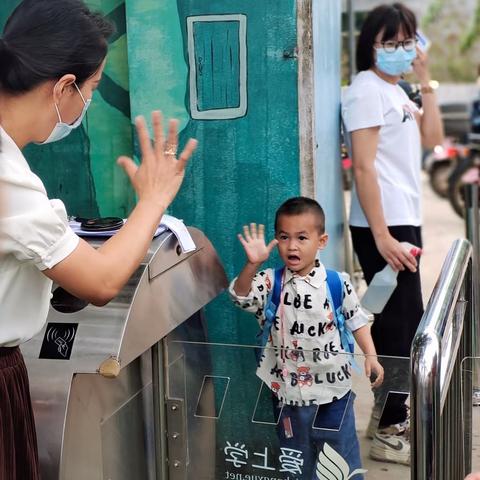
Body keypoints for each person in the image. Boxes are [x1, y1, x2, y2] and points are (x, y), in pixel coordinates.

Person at [0, 1, 197, 478]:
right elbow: (102, 281)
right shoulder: (7, 178)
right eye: (90, 89)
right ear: (64, 86)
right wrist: (152, 201)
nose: (86, 104)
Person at [341, 2, 443, 465]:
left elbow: (431, 139)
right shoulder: (365, 90)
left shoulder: (398, 91)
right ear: (371, 45)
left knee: (400, 319)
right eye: (391, 42)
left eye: (407, 41)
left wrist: (425, 80)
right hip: (382, 222)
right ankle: (388, 429)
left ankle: (386, 414)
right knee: (402, 323)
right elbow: (363, 166)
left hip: (404, 217)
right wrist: (381, 237)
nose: (401, 50)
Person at [229, 197, 384, 479]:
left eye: (302, 237)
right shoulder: (269, 281)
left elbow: (357, 320)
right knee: (296, 456)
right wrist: (252, 265)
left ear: (321, 241)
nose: (292, 246)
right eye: (284, 237)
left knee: (341, 456)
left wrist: (370, 355)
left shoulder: (337, 282)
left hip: (333, 392)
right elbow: (242, 298)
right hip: (289, 393)